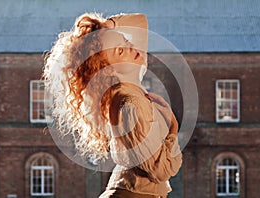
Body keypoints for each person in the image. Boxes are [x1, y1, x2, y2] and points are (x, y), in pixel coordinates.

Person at [43, 12, 182, 198]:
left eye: (125, 40)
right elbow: (161, 172)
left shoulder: (132, 77)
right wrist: (173, 128)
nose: (130, 46)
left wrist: (105, 27)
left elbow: (140, 21)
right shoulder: (128, 103)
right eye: (120, 50)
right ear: (108, 70)